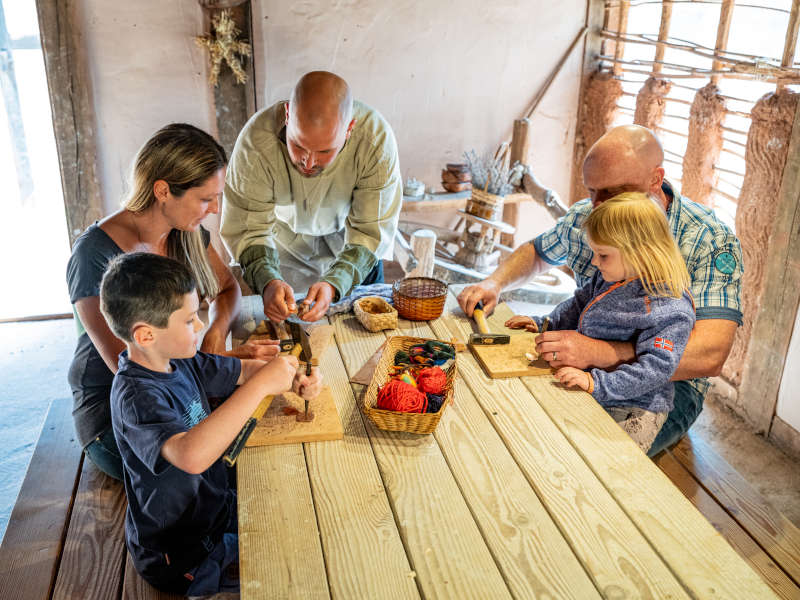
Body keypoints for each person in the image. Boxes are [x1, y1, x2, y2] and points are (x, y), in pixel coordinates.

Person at [458, 125, 743, 456]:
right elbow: (538, 252)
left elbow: (709, 355)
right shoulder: (593, 213)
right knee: (517, 422)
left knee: (582, 456)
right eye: (592, 190)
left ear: (656, 178)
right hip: (589, 361)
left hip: (664, 389)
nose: (596, 204)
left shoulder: (709, 240)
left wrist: (600, 353)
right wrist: (495, 283)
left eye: (612, 192)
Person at [67, 123, 280, 481]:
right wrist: (221, 363)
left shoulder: (186, 231)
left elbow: (228, 289)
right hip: (121, 414)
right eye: (205, 198)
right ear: (163, 191)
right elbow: (130, 366)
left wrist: (214, 334)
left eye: (217, 197)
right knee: (235, 469)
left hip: (183, 383)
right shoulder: (94, 255)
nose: (214, 209)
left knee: (261, 436)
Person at [101, 252, 321, 596]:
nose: (201, 326)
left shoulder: (177, 358)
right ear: (145, 336)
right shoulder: (135, 397)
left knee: (298, 516)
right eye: (190, 320)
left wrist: (293, 376)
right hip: (181, 552)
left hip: (212, 507)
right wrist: (263, 385)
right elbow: (191, 455)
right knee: (289, 573)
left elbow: (244, 372)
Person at [506, 193, 695, 452]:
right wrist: (545, 323)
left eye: (603, 255)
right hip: (593, 382)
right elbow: (578, 305)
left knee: (606, 463)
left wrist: (597, 383)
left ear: (640, 253)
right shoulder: (610, 276)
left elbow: (655, 369)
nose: (594, 262)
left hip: (635, 406)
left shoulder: (669, 308)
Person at [220, 70, 402, 324]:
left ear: (349, 130)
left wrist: (335, 282)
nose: (308, 162)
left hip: (350, 240)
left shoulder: (374, 141)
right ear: (287, 116)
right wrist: (268, 280)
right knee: (284, 326)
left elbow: (371, 231)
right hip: (282, 244)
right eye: (298, 145)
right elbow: (249, 228)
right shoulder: (256, 144)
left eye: (325, 151)